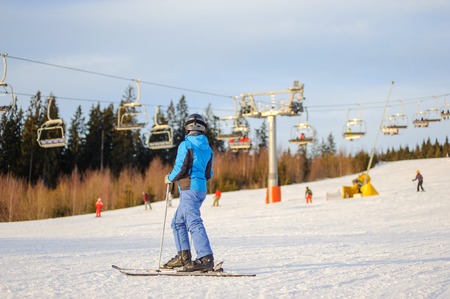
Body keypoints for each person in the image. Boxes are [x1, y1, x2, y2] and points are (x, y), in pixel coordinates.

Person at [163, 114, 215, 272]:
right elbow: (208, 173)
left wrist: (169, 178)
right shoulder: (208, 149)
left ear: (187, 128)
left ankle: (205, 257)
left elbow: (180, 167)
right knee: (178, 222)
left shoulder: (185, 145)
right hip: (200, 189)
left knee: (193, 222)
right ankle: (183, 257)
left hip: (189, 188)